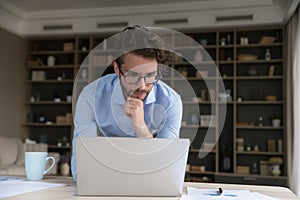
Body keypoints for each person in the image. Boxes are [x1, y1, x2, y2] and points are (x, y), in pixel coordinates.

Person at [71, 25, 183, 181]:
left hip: (147, 181)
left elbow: (165, 169)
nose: (142, 86)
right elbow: (80, 167)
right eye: (133, 76)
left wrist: (142, 129)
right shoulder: (91, 97)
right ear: (117, 69)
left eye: (151, 76)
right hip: (104, 177)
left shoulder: (171, 102)